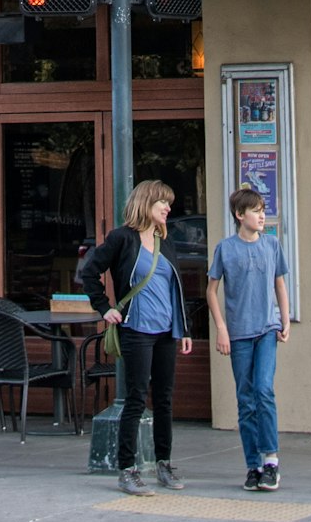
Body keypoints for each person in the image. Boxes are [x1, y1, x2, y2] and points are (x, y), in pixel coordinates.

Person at [78, 181, 191, 495]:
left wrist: (184, 330)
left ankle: (163, 463)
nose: (168, 209)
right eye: (162, 204)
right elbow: (89, 272)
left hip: (167, 330)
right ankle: (127, 469)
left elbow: (175, 288)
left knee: (165, 399)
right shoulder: (122, 238)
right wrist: (105, 308)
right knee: (136, 399)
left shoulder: (164, 240)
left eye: (168, 204)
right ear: (146, 204)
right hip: (137, 329)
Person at [209, 185, 293, 493]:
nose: (262, 216)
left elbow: (280, 285)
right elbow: (211, 291)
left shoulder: (271, 245)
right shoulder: (225, 249)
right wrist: (221, 328)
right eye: (256, 211)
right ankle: (252, 465)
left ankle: (271, 461)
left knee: (263, 391)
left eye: (262, 210)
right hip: (239, 334)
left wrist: (285, 320)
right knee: (245, 400)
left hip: (266, 330)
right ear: (239, 215)